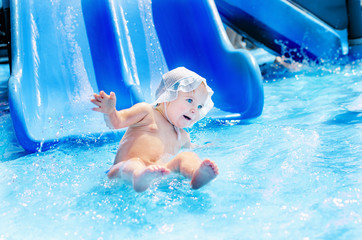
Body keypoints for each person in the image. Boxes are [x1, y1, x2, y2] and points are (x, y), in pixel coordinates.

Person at [91, 67, 219, 192]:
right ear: (167, 95)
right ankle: (138, 177)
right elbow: (117, 122)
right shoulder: (146, 112)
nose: (194, 110)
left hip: (158, 173)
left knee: (187, 156)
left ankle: (196, 176)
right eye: (190, 100)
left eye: (199, 106)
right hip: (121, 172)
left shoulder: (183, 136)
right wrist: (110, 111)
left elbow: (191, 147)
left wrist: (205, 147)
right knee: (134, 163)